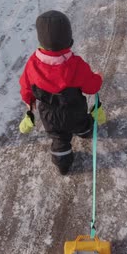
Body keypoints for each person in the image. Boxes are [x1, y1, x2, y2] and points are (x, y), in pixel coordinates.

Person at [19, 10, 105, 175]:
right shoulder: (76, 64)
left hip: (49, 117)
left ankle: (63, 164)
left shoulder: (32, 64)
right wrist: (98, 78)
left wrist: (29, 100)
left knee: (59, 139)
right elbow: (92, 87)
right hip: (75, 112)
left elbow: (25, 86)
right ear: (68, 38)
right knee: (82, 123)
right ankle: (85, 131)